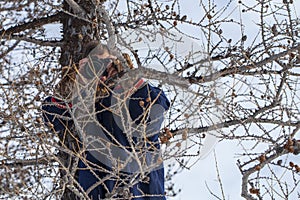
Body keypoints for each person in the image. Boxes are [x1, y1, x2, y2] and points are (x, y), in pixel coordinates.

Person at [42, 42, 170, 200]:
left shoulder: (140, 95)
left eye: (106, 64)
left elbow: (155, 111)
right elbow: (51, 113)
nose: (101, 71)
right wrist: (79, 79)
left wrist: (129, 80)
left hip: (141, 192)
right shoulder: (88, 106)